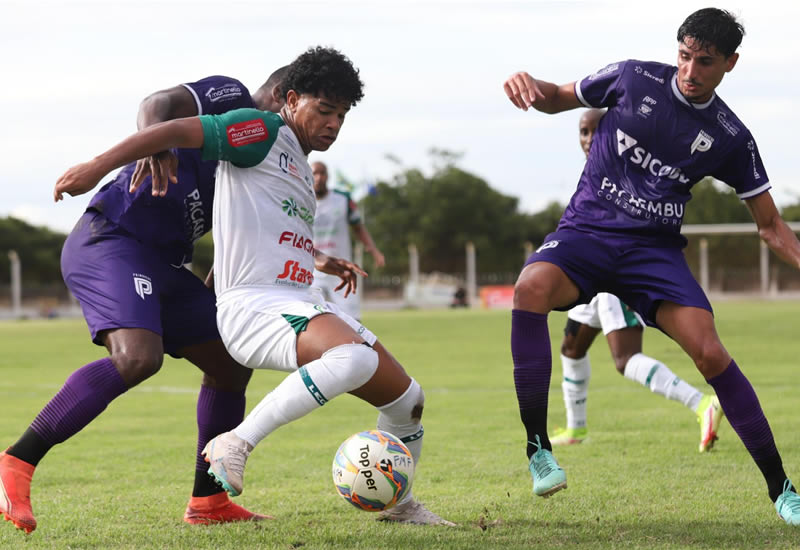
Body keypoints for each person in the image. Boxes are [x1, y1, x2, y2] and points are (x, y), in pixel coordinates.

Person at [53, 46, 453, 526]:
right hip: (256, 307)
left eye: (341, 115)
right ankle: (236, 442)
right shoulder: (262, 130)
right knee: (354, 358)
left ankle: (398, 504)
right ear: (290, 98)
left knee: (408, 401)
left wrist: (319, 259)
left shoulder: (300, 164)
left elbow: (261, 233)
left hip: (300, 300)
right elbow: (176, 126)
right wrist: (96, 166)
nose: (333, 124)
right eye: (323, 110)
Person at [503, 8, 800, 524]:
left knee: (710, 352)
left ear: (730, 64)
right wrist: (529, 85)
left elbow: (771, 226)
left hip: (653, 254)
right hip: (586, 234)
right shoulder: (632, 76)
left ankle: (783, 489)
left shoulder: (731, 137)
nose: (689, 71)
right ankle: (538, 449)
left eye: (704, 62)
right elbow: (557, 98)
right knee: (530, 286)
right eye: (684, 56)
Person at [0, 67, 289, 534]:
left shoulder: (260, 160)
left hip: (169, 266)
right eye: (316, 112)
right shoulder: (232, 98)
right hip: (114, 239)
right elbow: (157, 104)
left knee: (231, 361)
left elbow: (242, 236)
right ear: (282, 96)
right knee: (138, 358)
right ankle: (15, 462)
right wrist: (154, 144)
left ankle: (209, 501)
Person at [551, 108, 724, 451]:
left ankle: (703, 404)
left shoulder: (624, 170)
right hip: (592, 273)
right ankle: (577, 429)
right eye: (582, 132)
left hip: (613, 273)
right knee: (572, 346)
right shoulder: (598, 167)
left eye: (593, 131)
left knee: (625, 359)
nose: (587, 139)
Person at [311, 160, 385, 321]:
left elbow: (358, 227)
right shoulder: (301, 198)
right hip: (312, 270)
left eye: (322, 173)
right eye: (314, 173)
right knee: (311, 319)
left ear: (327, 176)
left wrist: (373, 249)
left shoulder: (342, 199)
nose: (318, 177)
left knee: (352, 320)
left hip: (341, 269)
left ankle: (357, 345)